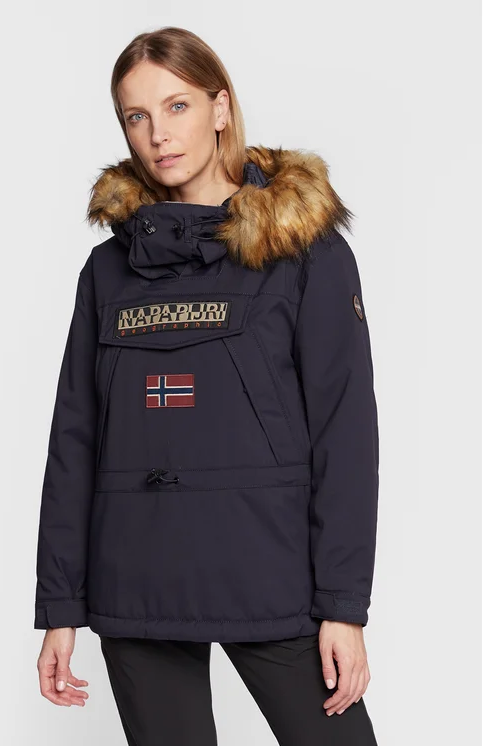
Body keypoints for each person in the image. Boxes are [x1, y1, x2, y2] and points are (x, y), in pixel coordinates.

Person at [34, 25, 380, 746]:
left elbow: (344, 436)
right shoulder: (108, 272)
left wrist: (343, 605)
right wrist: (60, 607)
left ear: (220, 107)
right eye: (136, 115)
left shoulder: (303, 251)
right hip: (136, 579)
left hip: (271, 576)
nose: (157, 134)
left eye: (177, 106)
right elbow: (75, 440)